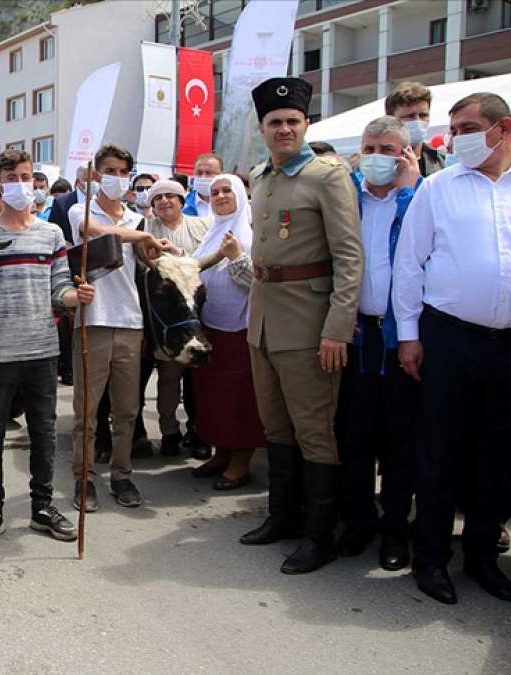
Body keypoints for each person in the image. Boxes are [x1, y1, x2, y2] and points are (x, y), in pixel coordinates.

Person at [393, 92, 511, 605]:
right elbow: (410, 264)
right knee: (440, 452)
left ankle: (481, 557)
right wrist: (408, 335)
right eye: (453, 129)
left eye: (467, 127)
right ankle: (430, 560)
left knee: (499, 454)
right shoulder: (439, 187)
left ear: (502, 130)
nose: (455, 138)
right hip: (449, 338)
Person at [238, 77, 362, 578]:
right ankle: (281, 518)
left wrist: (337, 328)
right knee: (275, 425)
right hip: (264, 320)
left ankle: (318, 535)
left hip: (311, 324)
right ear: (263, 128)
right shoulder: (260, 176)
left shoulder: (328, 175)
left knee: (315, 431)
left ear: (306, 123)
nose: (284, 129)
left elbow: (349, 258)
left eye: (292, 121)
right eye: (275, 122)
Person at [0, 148, 93, 548]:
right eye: (12, 178)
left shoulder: (51, 234)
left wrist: (77, 295)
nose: (21, 184)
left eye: (26, 176)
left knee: (44, 433)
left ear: (35, 182)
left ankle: (41, 507)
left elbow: (60, 290)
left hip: (42, 349)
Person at [333, 116, 423, 571]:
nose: (378, 157)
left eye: (389, 150)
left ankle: (394, 531)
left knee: (400, 441)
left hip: (400, 339)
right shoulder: (348, 197)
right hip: (354, 334)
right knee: (354, 436)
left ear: (406, 154)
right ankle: (358, 521)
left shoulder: (420, 198)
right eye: (372, 147)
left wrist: (409, 188)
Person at [69, 144, 166, 513]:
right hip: (92, 320)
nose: (116, 177)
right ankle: (84, 477)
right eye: (110, 170)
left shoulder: (135, 218)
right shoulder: (83, 208)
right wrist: (140, 236)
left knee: (127, 409)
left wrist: (154, 247)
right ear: (96, 174)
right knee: (87, 412)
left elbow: (145, 260)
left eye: (123, 172)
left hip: (130, 321)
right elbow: (93, 231)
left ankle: (122, 474)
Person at [189, 174, 263, 490]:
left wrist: (235, 258)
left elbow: (259, 285)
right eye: (215, 192)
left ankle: (240, 464)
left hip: (241, 328)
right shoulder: (211, 231)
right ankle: (221, 454)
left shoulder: (252, 234)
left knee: (239, 399)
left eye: (227, 191)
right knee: (214, 396)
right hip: (211, 327)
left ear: (241, 195)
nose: (220, 196)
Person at [139, 179, 210, 460]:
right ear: (153, 205)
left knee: (198, 381)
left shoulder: (201, 227)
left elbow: (207, 261)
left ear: (182, 200)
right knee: (168, 376)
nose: (165, 201)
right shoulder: (145, 231)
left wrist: (179, 255)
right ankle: (169, 430)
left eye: (171, 196)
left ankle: (199, 430)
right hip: (163, 320)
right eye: (158, 198)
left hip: (195, 315)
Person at [386, 81, 445, 177]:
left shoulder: (441, 161)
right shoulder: (378, 164)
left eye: (423, 115)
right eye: (410, 116)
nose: (418, 121)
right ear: (390, 119)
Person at [47, 163, 88, 244]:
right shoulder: (61, 202)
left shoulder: (106, 201)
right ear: (78, 181)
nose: (92, 183)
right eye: (87, 180)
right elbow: (52, 233)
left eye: (95, 179)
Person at [183, 152, 223, 220]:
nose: (203, 177)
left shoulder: (232, 204)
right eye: (199, 173)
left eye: (209, 173)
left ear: (221, 175)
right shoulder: (182, 204)